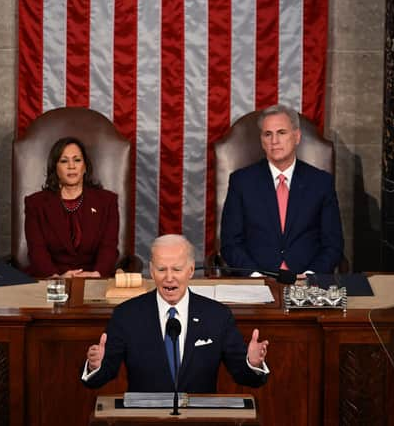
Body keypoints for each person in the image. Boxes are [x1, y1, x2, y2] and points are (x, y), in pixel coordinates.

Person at [81, 234, 269, 392]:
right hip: (145, 419)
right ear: (152, 271)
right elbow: (102, 376)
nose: (169, 278)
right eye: (162, 269)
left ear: (190, 270)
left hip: (199, 420)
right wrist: (95, 365)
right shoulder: (127, 315)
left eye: (177, 269)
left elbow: (244, 375)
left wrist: (253, 363)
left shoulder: (217, 315)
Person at [220, 104, 344, 275]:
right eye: (268, 134)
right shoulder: (241, 182)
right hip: (256, 281)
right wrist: (254, 276)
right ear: (262, 141)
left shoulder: (321, 182)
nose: (274, 141)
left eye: (282, 133)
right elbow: (230, 243)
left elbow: (333, 245)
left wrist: (311, 275)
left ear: (297, 137)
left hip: (306, 280)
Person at [24, 137, 119, 278]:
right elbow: (37, 250)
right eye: (64, 161)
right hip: (51, 281)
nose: (71, 166)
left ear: (85, 166)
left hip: (95, 279)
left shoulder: (107, 201)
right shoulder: (36, 204)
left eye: (77, 160)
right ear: (55, 168)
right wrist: (56, 278)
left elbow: (109, 246)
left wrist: (96, 275)